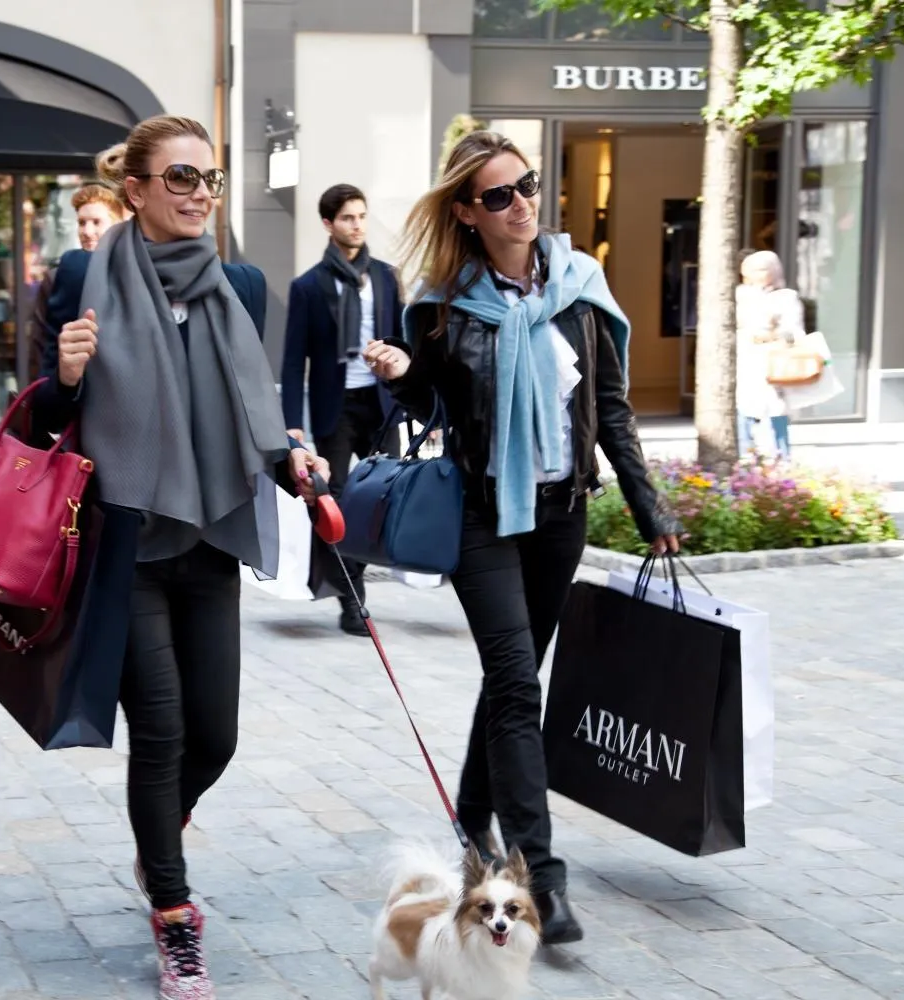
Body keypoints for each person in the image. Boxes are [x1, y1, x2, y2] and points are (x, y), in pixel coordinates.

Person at [31, 115, 330, 1000]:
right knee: (159, 729)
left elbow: (256, 407)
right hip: (124, 538)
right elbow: (46, 417)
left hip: (208, 536)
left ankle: (156, 832)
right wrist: (68, 377)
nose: (199, 193)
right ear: (135, 190)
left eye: (208, 179)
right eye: (180, 179)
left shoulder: (236, 280)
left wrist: (294, 459)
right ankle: (173, 912)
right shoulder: (87, 273)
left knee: (218, 736)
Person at [363, 130, 682, 946]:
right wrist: (402, 375)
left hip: (561, 512)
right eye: (500, 196)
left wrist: (651, 511)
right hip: (482, 514)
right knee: (514, 685)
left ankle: (473, 822)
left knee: (513, 682)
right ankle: (539, 875)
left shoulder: (578, 286)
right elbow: (431, 405)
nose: (523, 204)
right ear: (469, 213)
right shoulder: (441, 302)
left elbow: (610, 407)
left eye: (528, 186)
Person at [280, 183, 406, 634]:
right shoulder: (309, 286)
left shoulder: (389, 278)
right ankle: (352, 600)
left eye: (361, 216)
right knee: (333, 502)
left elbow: (403, 344)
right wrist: (292, 425)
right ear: (329, 224)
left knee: (379, 502)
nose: (357, 225)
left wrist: (418, 403)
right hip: (337, 408)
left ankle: (351, 589)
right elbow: (294, 360)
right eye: (348, 218)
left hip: (382, 403)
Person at [26, 183, 128, 381]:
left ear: (117, 225)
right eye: (82, 223)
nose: (87, 231)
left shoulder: (133, 272)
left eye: (97, 222)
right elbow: (41, 344)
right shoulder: (56, 276)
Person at [735, 249, 802, 460]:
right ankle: (746, 454)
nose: (757, 273)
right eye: (752, 269)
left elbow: (795, 331)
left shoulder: (786, 297)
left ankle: (783, 455)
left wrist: (773, 333)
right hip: (746, 358)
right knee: (744, 406)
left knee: (777, 409)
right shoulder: (740, 295)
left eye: (762, 269)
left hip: (773, 360)